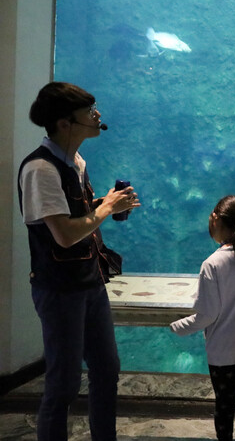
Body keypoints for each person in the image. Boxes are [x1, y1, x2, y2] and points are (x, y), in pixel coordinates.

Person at [17, 82, 139, 441]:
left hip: (90, 283)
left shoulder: (76, 162)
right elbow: (65, 234)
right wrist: (106, 208)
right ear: (64, 123)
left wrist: (106, 202)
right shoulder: (41, 169)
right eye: (89, 111)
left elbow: (77, 214)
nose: (97, 115)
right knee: (63, 384)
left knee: (107, 370)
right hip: (60, 290)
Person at [170, 195, 235, 441]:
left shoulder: (212, 264)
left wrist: (176, 326)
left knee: (224, 406)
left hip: (223, 353)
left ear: (215, 219)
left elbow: (207, 315)